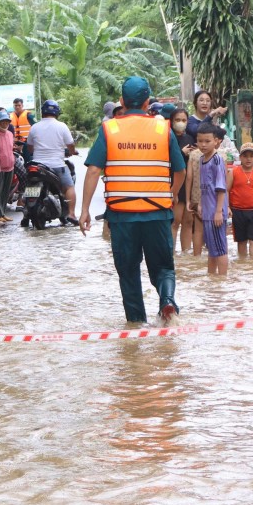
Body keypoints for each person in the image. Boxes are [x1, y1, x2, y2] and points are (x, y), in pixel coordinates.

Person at [79, 76, 186, 323]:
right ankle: (167, 300)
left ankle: (136, 327)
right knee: (164, 268)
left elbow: (94, 170)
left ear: (121, 102)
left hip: (121, 215)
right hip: (158, 213)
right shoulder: (163, 129)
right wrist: (171, 193)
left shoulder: (109, 129)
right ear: (148, 101)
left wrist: (84, 210)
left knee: (128, 273)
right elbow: (179, 171)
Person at [27, 99, 79, 225]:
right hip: (57, 165)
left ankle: (25, 213)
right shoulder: (62, 126)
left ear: (43, 112)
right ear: (57, 112)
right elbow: (70, 145)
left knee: (30, 186)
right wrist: (72, 151)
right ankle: (71, 214)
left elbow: (29, 148)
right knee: (69, 186)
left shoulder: (34, 127)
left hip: (37, 165)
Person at [196, 124, 230, 275]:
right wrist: (202, 206)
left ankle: (222, 279)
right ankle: (211, 279)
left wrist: (218, 211)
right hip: (208, 212)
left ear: (216, 141)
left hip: (216, 212)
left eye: (207, 141)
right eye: (200, 141)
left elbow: (221, 187)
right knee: (211, 248)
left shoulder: (217, 160)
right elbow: (204, 187)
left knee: (220, 249)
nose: (203, 144)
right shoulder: (202, 159)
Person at [169, 107, 196, 252]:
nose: (181, 123)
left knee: (188, 221)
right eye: (177, 120)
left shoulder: (190, 139)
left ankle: (186, 253)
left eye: (184, 120)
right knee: (175, 221)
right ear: (171, 121)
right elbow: (166, 160)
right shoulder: (168, 138)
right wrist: (181, 152)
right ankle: (171, 252)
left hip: (189, 184)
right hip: (175, 184)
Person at [0, 109, 16, 220]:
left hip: (10, 166)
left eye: (7, 121)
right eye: (3, 121)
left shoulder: (10, 134)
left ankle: (2, 213)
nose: (5, 123)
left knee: (5, 192)